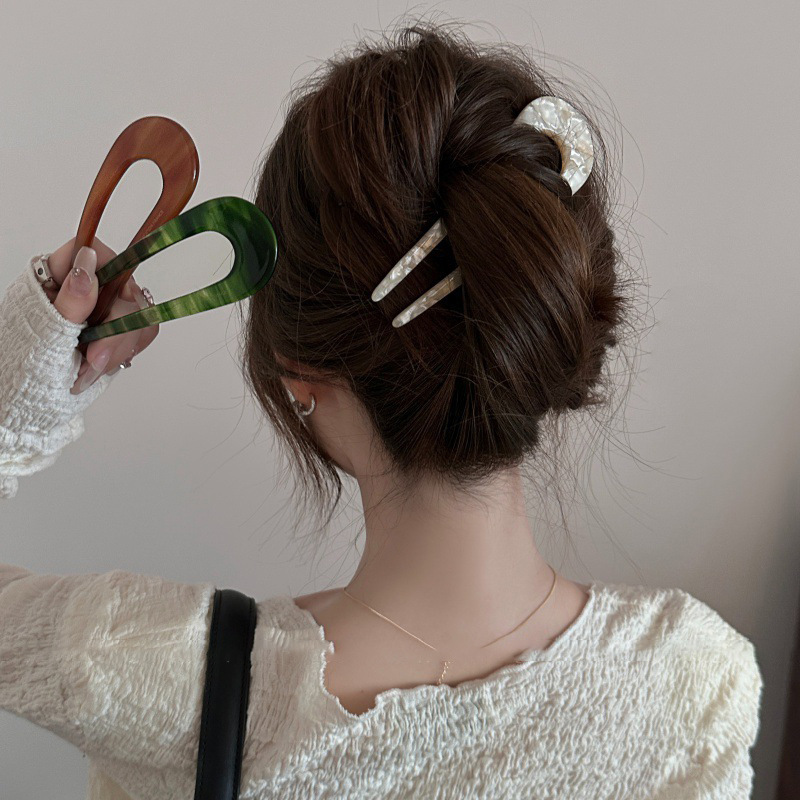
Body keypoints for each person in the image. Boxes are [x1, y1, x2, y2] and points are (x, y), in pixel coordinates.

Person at [0, 20, 762, 800]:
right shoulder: (692, 684)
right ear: (538, 330)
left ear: (299, 375)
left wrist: (24, 380)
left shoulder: (157, 676)